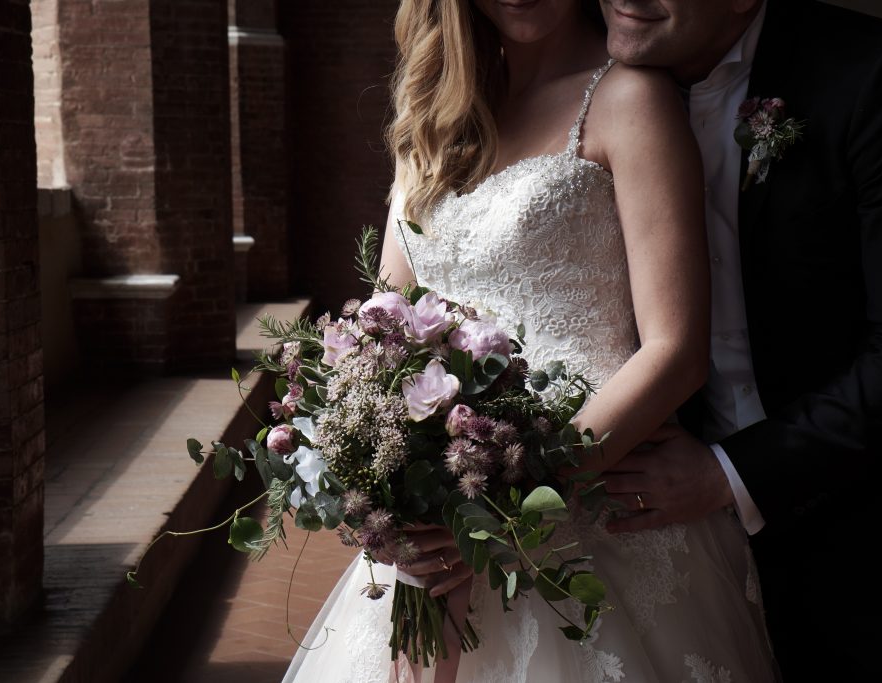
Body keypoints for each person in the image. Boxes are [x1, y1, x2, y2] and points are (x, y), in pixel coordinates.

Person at [284, 1, 777, 681]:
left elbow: (675, 350)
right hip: (443, 526)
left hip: (591, 507)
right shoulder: (432, 121)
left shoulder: (630, 98)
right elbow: (383, 329)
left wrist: (507, 508)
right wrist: (386, 502)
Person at [596, 1, 882, 679]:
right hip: (650, 547)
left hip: (857, 525)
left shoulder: (869, 76)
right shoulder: (577, 73)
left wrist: (729, 475)